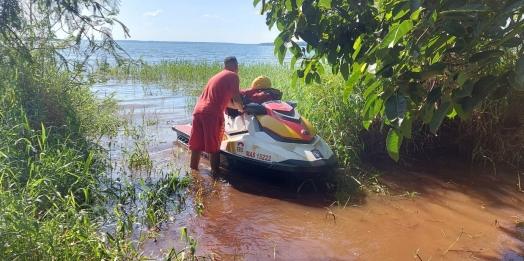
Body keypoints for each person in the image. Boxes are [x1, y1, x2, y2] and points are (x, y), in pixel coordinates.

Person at [188, 56, 244, 174]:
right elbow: (236, 98)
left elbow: (228, 102)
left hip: (198, 111)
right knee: (214, 148)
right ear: (236, 66)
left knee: (196, 147)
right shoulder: (233, 76)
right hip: (212, 114)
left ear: (224, 65)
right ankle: (215, 176)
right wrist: (242, 109)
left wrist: (236, 108)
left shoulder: (216, 76)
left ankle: (193, 173)